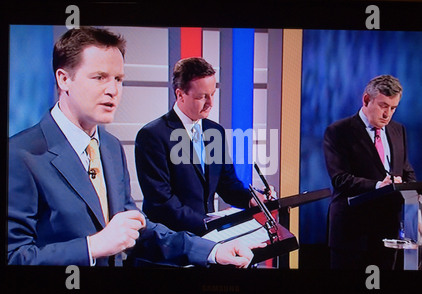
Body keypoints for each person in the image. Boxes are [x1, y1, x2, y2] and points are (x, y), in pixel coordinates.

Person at [7, 26, 263, 267]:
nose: (113, 90)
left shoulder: (110, 147)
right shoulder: (20, 154)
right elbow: (14, 256)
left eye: (118, 79)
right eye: (100, 77)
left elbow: (137, 229)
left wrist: (212, 251)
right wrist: (92, 246)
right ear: (64, 79)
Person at [135, 57, 272, 236]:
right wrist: (209, 224)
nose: (211, 103)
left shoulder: (215, 131)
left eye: (212, 94)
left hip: (207, 239)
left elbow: (227, 184)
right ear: (180, 95)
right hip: (170, 243)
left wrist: (252, 199)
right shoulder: (152, 135)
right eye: (202, 97)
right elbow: (162, 202)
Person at [323, 75, 416, 270]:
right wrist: (377, 186)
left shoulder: (399, 131)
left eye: (393, 108)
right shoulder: (339, 131)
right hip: (351, 235)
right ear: (366, 100)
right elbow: (340, 179)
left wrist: (405, 188)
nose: (387, 114)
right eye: (383, 106)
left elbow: (407, 172)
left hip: (387, 235)